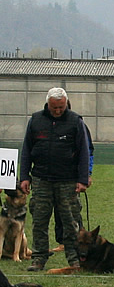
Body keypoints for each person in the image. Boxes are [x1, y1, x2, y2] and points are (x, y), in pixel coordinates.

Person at [20, 87, 91, 271]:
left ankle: (74, 259)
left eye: (61, 107)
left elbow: (84, 151)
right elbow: (26, 150)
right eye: (54, 108)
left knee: (70, 221)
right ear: (48, 105)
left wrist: (83, 179)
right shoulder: (36, 120)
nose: (58, 111)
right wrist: (24, 177)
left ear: (66, 103)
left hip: (67, 180)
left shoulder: (75, 121)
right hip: (41, 178)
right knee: (40, 220)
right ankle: (38, 258)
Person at [51, 122, 94, 253]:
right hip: (51, 175)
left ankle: (79, 238)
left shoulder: (77, 124)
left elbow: (88, 151)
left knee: (72, 210)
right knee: (58, 210)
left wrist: (87, 173)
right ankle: (62, 241)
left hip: (70, 177)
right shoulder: (47, 124)